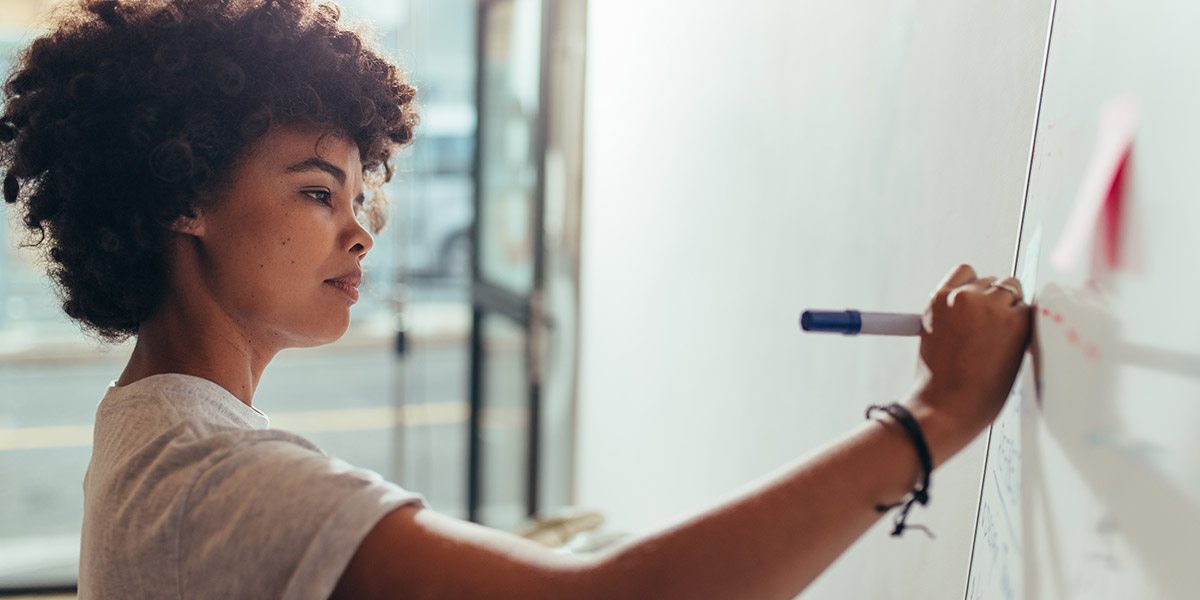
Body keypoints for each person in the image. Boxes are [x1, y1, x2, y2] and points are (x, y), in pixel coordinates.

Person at [0, 0, 1032, 598]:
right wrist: (937, 417)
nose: (361, 230)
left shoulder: (152, 434)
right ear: (184, 193)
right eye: (318, 192)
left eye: (364, 195)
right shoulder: (208, 475)